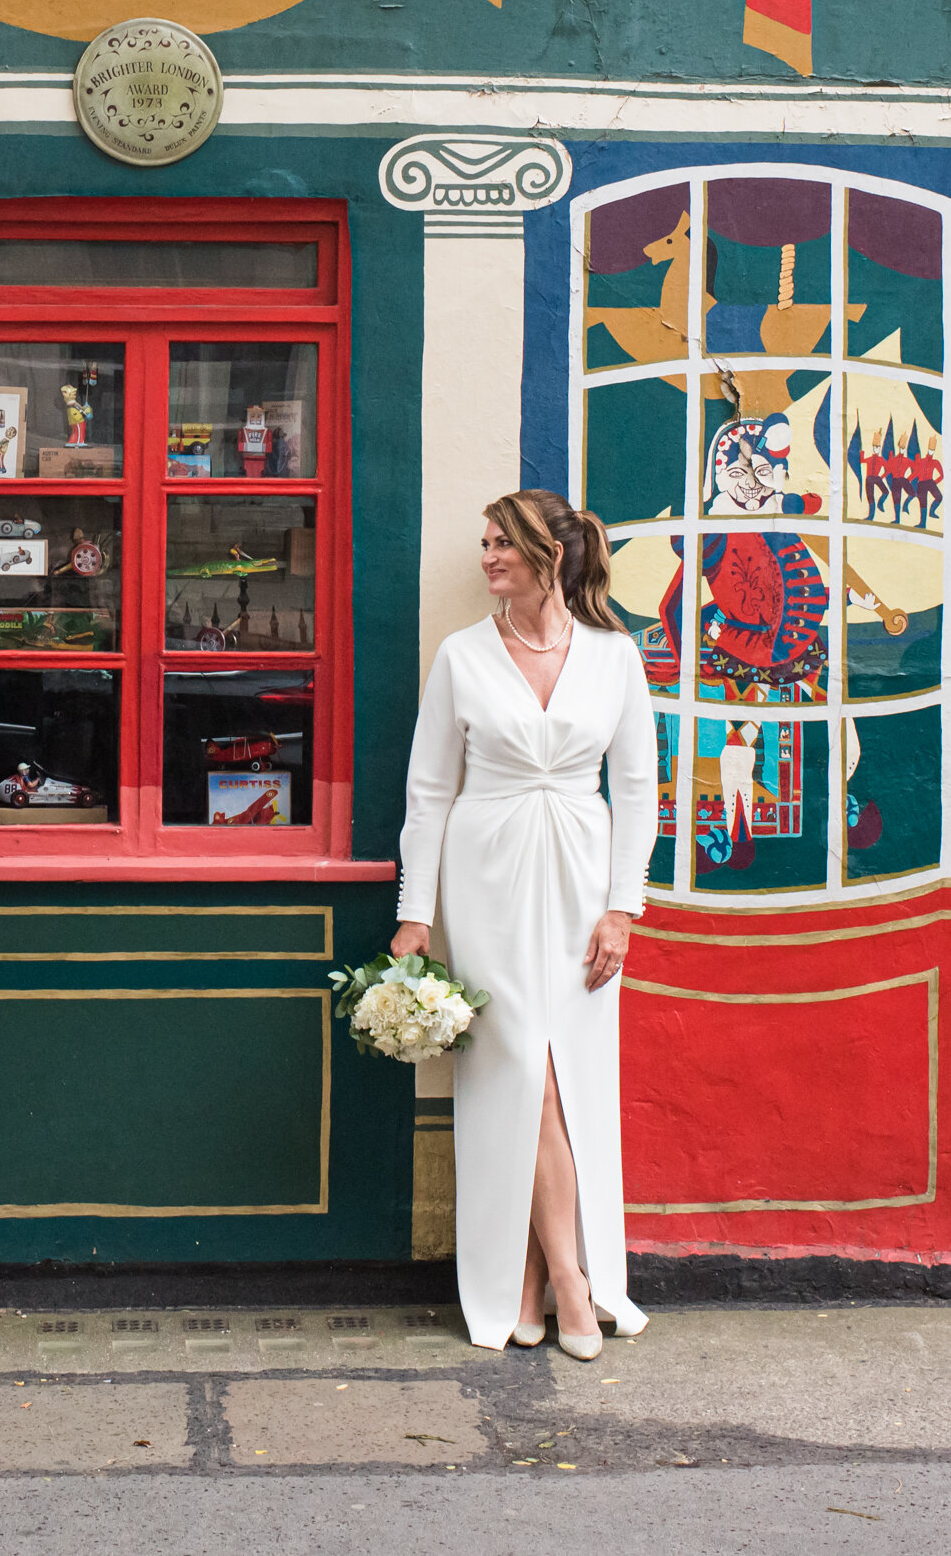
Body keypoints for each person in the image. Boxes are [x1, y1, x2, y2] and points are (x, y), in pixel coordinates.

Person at [393, 488, 655, 1359]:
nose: (488, 556)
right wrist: (414, 914)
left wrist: (623, 907)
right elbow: (429, 794)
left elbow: (640, 789)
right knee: (524, 1073)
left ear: (549, 555)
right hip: (488, 879)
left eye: (503, 543)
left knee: (571, 1073)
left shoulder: (616, 658)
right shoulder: (462, 656)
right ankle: (576, 1280)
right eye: (486, 541)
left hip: (583, 878)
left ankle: (530, 1282)